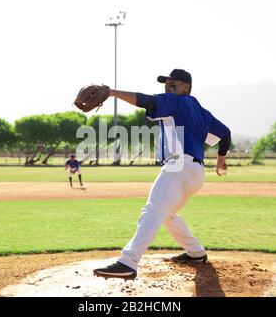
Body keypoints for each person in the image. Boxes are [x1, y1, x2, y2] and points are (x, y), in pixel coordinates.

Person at [93, 69, 231, 280]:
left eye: (172, 83)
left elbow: (147, 101)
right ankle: (196, 253)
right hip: (196, 173)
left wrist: (112, 92)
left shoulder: (177, 101)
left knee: (152, 210)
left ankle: (128, 262)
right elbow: (225, 134)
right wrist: (220, 162)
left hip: (179, 166)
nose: (167, 86)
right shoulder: (201, 111)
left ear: (186, 87)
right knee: (167, 214)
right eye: (166, 83)